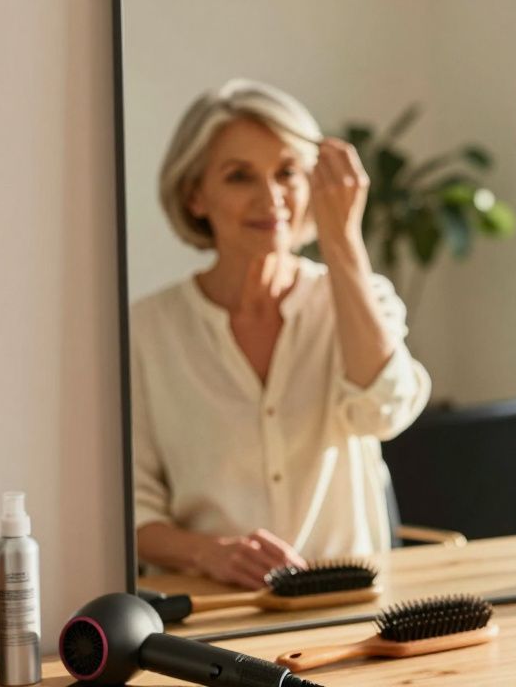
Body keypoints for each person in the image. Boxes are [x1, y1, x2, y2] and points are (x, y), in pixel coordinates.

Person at [132, 79, 431, 589]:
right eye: (239, 176)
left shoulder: (363, 296)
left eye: (287, 173)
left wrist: (343, 244)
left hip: (347, 601)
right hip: (212, 608)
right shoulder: (146, 331)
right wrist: (208, 554)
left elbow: (383, 411)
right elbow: (127, 510)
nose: (271, 198)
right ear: (195, 195)